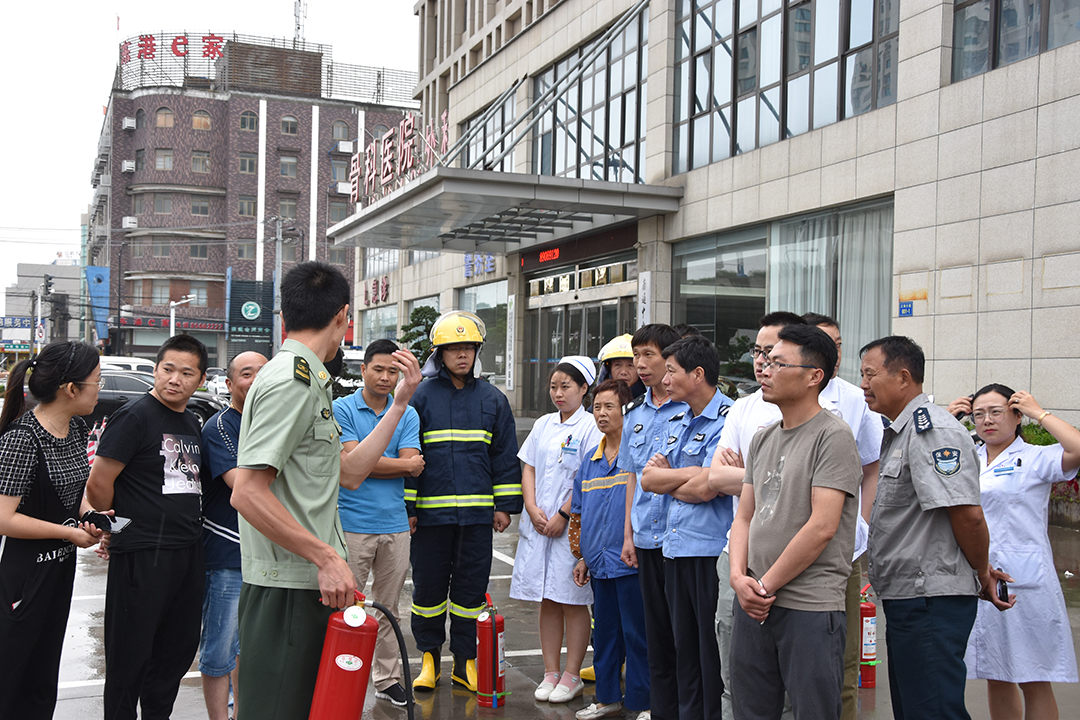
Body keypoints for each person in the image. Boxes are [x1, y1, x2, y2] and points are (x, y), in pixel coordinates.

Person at [230, 261, 422, 720]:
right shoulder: (291, 382)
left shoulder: (310, 379)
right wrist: (327, 557)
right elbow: (248, 492)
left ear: (283, 317)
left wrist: (398, 406)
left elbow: (349, 472)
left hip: (308, 585)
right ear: (343, 316)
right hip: (291, 587)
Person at [860, 336, 1014, 720]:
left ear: (904, 377)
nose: (863, 384)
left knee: (932, 710)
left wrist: (981, 571)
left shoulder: (933, 432)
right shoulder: (901, 431)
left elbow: (968, 515)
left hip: (929, 597)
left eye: (870, 374)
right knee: (915, 707)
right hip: (908, 596)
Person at [728, 324, 862, 719]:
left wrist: (764, 586)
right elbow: (745, 516)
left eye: (778, 363)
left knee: (812, 711)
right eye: (764, 360)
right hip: (753, 599)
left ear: (813, 376)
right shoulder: (764, 438)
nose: (764, 370)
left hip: (808, 604)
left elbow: (822, 526)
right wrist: (739, 578)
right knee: (751, 709)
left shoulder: (832, 436)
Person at [86, 334, 211, 720]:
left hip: (187, 552)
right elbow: (99, 483)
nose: (175, 379)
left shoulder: (191, 420)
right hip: (142, 554)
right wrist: (118, 525)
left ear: (201, 379)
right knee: (130, 657)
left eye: (186, 373)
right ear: (156, 370)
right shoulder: (135, 415)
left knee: (175, 653)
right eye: (167, 369)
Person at [948, 385, 1079, 719]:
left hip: (1026, 580)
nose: (986, 420)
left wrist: (1041, 413)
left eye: (996, 412)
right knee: (996, 673)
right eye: (978, 414)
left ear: (1017, 415)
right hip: (979, 576)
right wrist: (946, 423)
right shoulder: (967, 457)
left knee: (1034, 675)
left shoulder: (1036, 457)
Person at [407, 310, 522, 694]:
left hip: (475, 516)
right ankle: (428, 658)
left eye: (468, 348)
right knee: (428, 590)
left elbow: (504, 456)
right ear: (438, 354)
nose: (461, 355)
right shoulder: (420, 397)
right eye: (453, 349)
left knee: (470, 592)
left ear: (477, 352)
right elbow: (408, 455)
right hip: (431, 516)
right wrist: (408, 509)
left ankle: (464, 661)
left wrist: (504, 506)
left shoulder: (493, 399)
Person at [0, 340, 107, 720]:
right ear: (71, 389)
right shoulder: (21, 439)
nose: (102, 388)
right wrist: (68, 534)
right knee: (12, 675)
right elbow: (4, 518)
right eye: (97, 380)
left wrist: (93, 517)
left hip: (58, 573)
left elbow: (74, 491)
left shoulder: (77, 429)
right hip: (22, 579)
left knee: (44, 676)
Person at [707, 311, 805, 720]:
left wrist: (746, 472)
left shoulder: (821, 418)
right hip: (738, 557)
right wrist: (764, 475)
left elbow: (803, 490)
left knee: (787, 686)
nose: (762, 361)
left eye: (773, 353)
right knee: (736, 675)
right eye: (758, 351)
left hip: (794, 566)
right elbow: (715, 477)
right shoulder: (743, 410)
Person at [640, 335, 734, 720]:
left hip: (708, 552)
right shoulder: (678, 419)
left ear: (697, 374)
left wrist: (678, 477)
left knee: (709, 652)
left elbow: (709, 487)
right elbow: (648, 479)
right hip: (674, 548)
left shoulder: (729, 419)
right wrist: (690, 476)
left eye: (672, 371)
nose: (665, 379)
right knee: (682, 650)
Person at [332, 338, 423, 708]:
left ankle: (387, 679)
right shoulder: (341, 409)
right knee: (344, 606)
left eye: (393, 371)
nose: (386, 377)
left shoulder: (408, 413)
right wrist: (393, 464)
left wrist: (371, 463)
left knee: (388, 607)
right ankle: (339, 674)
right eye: (379, 369)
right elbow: (351, 465)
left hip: (395, 524)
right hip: (351, 523)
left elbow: (414, 462)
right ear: (363, 369)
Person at [802, 312, 882, 720]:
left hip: (843, 548)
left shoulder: (852, 398)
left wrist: (861, 520)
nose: (832, 351)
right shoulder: (769, 399)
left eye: (837, 343)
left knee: (846, 657)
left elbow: (870, 463)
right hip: (786, 547)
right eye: (822, 341)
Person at [511, 356, 600, 703]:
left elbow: (587, 476)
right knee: (547, 597)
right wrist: (531, 507)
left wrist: (564, 514)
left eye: (566, 386)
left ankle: (572, 674)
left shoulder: (591, 426)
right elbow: (528, 467)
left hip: (570, 525)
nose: (558, 393)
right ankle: (550, 671)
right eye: (553, 386)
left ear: (583, 389)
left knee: (572, 599)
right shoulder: (544, 424)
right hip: (539, 523)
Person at [616, 323, 686, 720]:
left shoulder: (690, 408)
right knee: (654, 631)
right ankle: (660, 708)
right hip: (645, 536)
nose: (640, 365)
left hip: (680, 538)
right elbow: (631, 476)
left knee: (685, 634)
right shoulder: (635, 413)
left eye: (649, 356)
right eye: (636, 356)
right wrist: (628, 533)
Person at [571, 379, 650, 720]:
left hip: (629, 561)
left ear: (626, 410)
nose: (601, 414)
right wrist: (583, 557)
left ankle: (643, 701)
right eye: (596, 407)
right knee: (603, 634)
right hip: (599, 564)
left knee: (638, 634)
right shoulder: (590, 461)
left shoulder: (636, 456)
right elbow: (580, 513)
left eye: (609, 407)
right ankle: (606, 698)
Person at [198, 351, 268, 720]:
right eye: (246, 373)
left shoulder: (272, 423)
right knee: (219, 649)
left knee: (248, 648)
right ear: (229, 384)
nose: (255, 379)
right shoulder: (221, 427)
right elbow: (243, 486)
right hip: (227, 554)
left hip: (264, 554)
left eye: (263, 372)